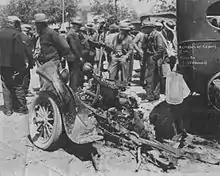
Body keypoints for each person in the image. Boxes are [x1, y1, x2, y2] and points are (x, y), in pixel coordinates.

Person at [0, 16, 29, 115]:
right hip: (14, 65)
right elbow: (18, 53)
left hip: (2, 65)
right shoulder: (16, 34)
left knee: (6, 85)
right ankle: (21, 108)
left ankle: (8, 109)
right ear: (15, 23)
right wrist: (20, 67)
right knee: (18, 86)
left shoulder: (0, 32)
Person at [33, 13, 70, 88]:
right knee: (45, 86)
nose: (35, 26)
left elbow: (65, 47)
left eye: (36, 24)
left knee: (53, 86)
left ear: (41, 24)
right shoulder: (41, 34)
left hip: (52, 63)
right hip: (44, 64)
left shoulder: (51, 33)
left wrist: (60, 56)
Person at [144, 22, 168, 101]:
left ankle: (150, 96)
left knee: (150, 77)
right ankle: (155, 95)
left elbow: (161, 48)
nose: (144, 29)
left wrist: (154, 58)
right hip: (155, 58)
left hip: (154, 58)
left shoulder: (156, 35)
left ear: (151, 27)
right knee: (155, 78)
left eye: (146, 28)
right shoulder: (151, 35)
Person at [66, 17, 84, 91]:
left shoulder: (74, 33)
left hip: (73, 56)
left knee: (74, 73)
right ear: (75, 25)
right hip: (73, 57)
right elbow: (74, 47)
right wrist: (79, 57)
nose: (79, 28)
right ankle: (73, 89)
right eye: (78, 26)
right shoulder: (71, 34)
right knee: (74, 74)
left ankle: (74, 88)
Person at [20, 24, 34, 96]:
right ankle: (25, 91)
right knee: (26, 76)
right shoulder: (26, 38)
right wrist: (31, 62)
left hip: (17, 59)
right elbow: (29, 52)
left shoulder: (17, 36)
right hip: (25, 60)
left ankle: (20, 90)